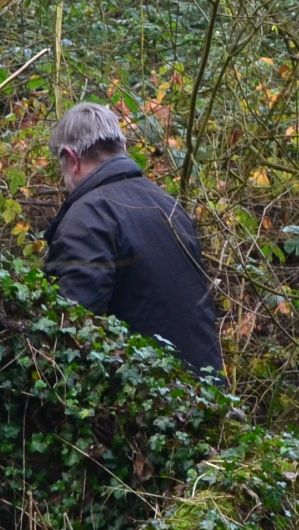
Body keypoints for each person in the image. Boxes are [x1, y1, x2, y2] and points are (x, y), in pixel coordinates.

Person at [43, 101, 223, 373]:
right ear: (120, 147)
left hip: (147, 395)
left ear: (72, 159)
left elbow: (71, 331)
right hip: (204, 393)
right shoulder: (168, 205)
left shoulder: (88, 216)